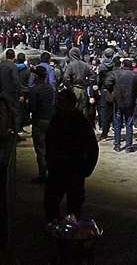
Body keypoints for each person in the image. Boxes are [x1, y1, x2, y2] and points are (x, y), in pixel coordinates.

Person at [44, 89, 99, 221]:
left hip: (75, 169)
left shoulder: (80, 121)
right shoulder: (56, 119)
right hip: (57, 168)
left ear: (70, 103)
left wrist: (86, 169)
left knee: (74, 206)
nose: (58, 105)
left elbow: (92, 148)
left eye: (61, 102)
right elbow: (50, 141)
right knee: (51, 202)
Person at [29, 67, 55, 183]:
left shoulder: (34, 90)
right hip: (50, 119)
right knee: (49, 148)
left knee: (40, 150)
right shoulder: (50, 88)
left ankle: (42, 174)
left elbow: (32, 108)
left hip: (39, 121)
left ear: (36, 76)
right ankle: (51, 173)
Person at [109, 58, 137, 152]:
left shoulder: (116, 73)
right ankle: (128, 146)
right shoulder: (135, 75)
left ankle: (117, 145)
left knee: (117, 124)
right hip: (130, 102)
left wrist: (113, 92)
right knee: (129, 124)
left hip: (118, 101)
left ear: (123, 65)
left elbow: (107, 83)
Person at [0, 48, 26, 135]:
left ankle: (3, 132)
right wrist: (20, 94)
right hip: (11, 94)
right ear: (14, 57)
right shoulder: (13, 66)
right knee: (15, 113)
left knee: (3, 114)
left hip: (0, 93)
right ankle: (15, 133)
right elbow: (16, 81)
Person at [63, 47, 95, 115]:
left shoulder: (70, 65)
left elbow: (66, 78)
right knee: (83, 109)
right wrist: (87, 83)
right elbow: (92, 76)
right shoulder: (85, 65)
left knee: (73, 109)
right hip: (83, 89)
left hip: (74, 88)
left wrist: (69, 87)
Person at [95, 48, 117, 141]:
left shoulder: (102, 66)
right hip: (113, 90)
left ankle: (104, 133)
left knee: (104, 112)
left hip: (104, 90)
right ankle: (115, 129)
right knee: (114, 111)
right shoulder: (115, 66)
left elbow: (99, 80)